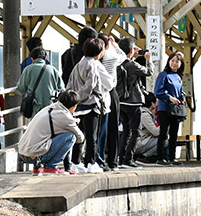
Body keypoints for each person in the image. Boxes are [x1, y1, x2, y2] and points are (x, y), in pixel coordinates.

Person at [66, 38, 113, 174]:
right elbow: (90, 86)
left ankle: (75, 162)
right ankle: (90, 163)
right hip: (91, 104)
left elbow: (70, 85)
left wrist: (75, 99)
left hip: (78, 108)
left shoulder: (78, 64)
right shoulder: (93, 64)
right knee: (92, 136)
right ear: (97, 51)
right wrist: (81, 97)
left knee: (79, 135)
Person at [18, 89, 84, 175]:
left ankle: (37, 168)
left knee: (49, 135)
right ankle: (51, 167)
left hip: (22, 154)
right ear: (74, 106)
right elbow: (80, 138)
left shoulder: (48, 108)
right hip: (34, 156)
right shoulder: (64, 116)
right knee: (71, 136)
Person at [118, 37, 153, 169]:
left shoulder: (117, 62)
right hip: (133, 101)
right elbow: (148, 72)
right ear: (132, 50)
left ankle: (121, 159)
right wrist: (148, 61)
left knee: (126, 131)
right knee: (136, 132)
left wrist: (132, 54)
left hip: (121, 101)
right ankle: (128, 159)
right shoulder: (132, 65)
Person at [98, 33, 126, 170]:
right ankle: (113, 162)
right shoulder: (111, 56)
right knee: (113, 128)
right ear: (107, 43)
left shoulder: (94, 59)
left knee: (100, 129)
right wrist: (115, 45)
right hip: (111, 93)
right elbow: (123, 56)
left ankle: (99, 159)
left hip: (97, 94)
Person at [154, 52, 185, 166]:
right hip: (165, 108)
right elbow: (158, 92)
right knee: (164, 133)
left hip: (176, 109)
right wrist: (169, 98)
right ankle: (160, 157)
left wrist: (182, 96)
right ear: (168, 62)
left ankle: (172, 158)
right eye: (172, 61)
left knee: (174, 133)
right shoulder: (164, 75)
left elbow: (180, 91)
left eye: (177, 61)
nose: (174, 63)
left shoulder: (178, 77)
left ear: (181, 64)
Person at [17, 47, 64, 117]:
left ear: (32, 58)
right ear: (45, 58)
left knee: (35, 127)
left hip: (34, 107)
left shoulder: (28, 69)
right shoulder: (53, 70)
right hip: (51, 107)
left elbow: (21, 88)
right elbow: (61, 89)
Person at [135, 92, 160, 160]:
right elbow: (156, 132)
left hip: (138, 143)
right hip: (140, 144)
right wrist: (164, 125)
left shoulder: (141, 112)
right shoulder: (145, 115)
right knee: (165, 140)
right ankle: (144, 157)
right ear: (152, 103)